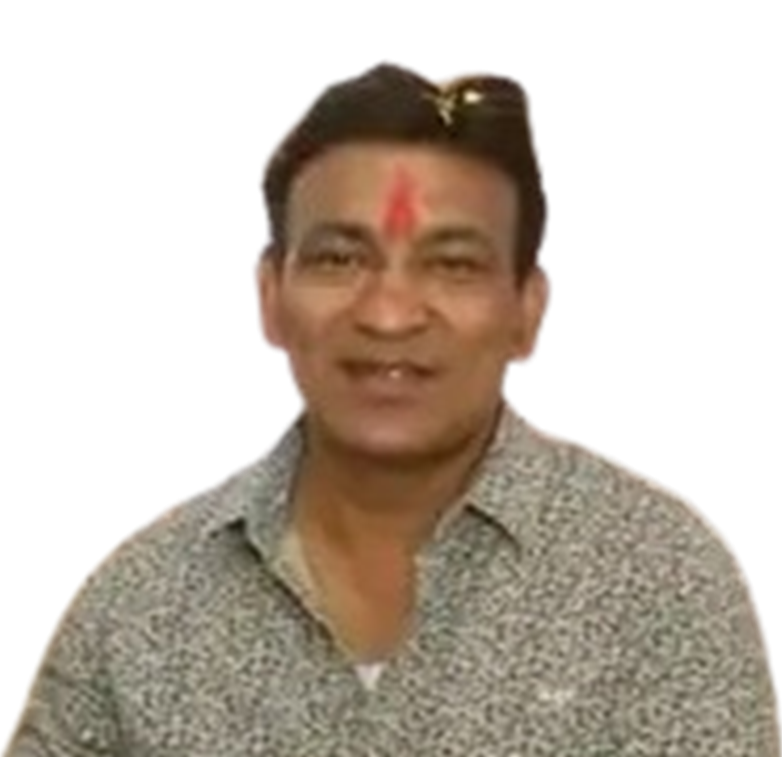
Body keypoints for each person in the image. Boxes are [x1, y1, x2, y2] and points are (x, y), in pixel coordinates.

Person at [4, 63, 778, 756]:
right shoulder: (143, 606)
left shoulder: (655, 581)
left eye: (453, 264)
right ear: (271, 296)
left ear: (527, 309)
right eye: (340, 258)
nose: (389, 313)